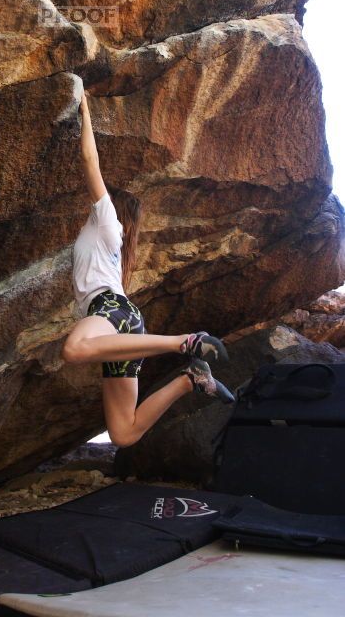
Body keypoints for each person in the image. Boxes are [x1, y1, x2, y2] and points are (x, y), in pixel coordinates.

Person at [62, 89, 235, 448]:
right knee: (124, 434)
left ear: (114, 207)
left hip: (111, 311)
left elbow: (89, 161)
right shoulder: (114, 242)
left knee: (74, 349)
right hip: (124, 321)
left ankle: (186, 343)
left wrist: (84, 107)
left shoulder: (106, 219)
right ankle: (190, 380)